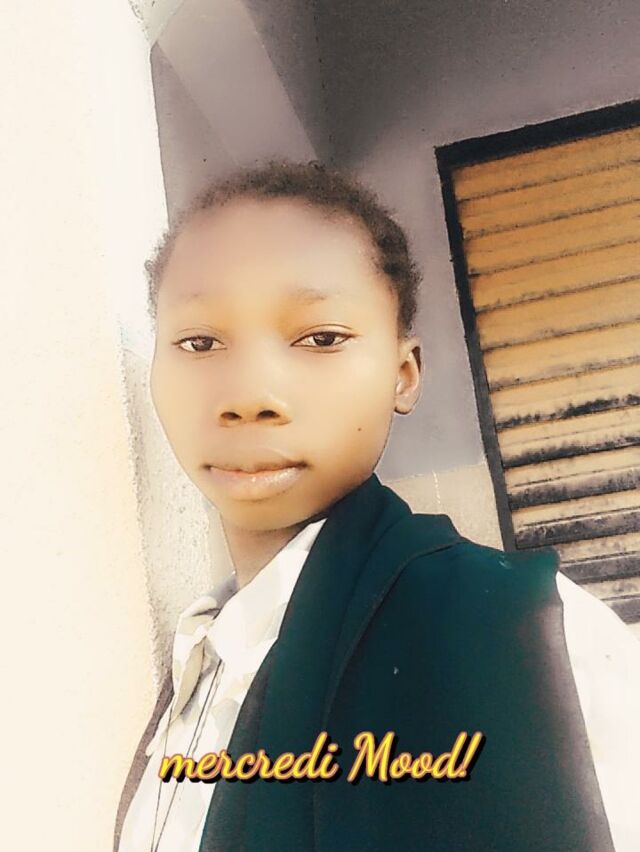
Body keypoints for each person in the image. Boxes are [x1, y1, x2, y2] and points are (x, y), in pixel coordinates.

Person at [114, 161, 639, 852]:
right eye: (200, 342)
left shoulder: (530, 639)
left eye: (321, 338)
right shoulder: (195, 666)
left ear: (403, 373)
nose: (249, 395)